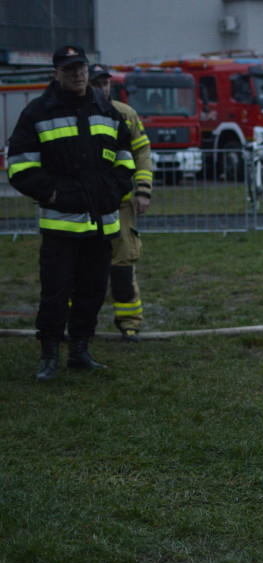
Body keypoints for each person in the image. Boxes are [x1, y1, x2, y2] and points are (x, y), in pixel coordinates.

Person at [6, 45, 135, 381]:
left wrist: (115, 191)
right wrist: (51, 193)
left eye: (82, 68)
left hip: (100, 225)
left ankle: (80, 350)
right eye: (70, 69)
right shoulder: (37, 112)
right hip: (61, 226)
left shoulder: (105, 109)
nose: (78, 74)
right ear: (56, 74)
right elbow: (19, 165)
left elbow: (126, 155)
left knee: (92, 292)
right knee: (55, 293)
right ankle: (49, 354)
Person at [89, 63, 153, 342]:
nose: (102, 89)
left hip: (121, 203)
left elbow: (142, 153)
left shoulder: (126, 114)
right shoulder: (77, 114)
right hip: (85, 204)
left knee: (123, 263)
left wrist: (143, 190)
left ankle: (130, 324)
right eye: (96, 84)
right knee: (82, 265)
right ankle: (77, 324)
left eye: (106, 83)